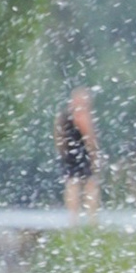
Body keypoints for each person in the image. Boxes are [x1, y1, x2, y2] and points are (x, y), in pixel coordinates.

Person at [57, 86, 101, 217]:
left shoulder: (64, 116)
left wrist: (62, 151)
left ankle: (73, 218)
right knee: (90, 184)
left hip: (69, 153)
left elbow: (58, 135)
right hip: (82, 152)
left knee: (71, 183)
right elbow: (88, 135)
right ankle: (92, 217)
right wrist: (94, 153)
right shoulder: (81, 114)